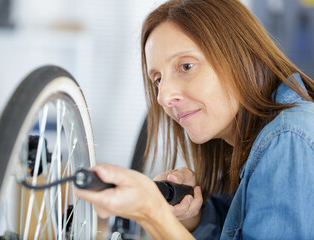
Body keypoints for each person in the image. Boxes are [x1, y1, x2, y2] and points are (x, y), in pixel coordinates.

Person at [76, 0, 314, 239]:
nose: (163, 97)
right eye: (157, 79)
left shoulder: (288, 139)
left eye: (186, 66)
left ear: (242, 57)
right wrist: (191, 216)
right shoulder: (253, 145)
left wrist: (151, 212)